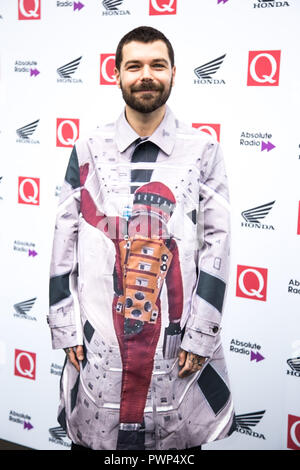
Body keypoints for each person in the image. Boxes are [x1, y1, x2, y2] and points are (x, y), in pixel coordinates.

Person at [48, 26, 236, 451]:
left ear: (173, 73)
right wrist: (66, 326)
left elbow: (217, 245)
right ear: (116, 74)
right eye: (134, 65)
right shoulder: (88, 149)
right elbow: (66, 238)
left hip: (173, 346)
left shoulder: (203, 149)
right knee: (99, 437)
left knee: (173, 442)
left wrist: (197, 333)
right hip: (105, 335)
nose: (146, 75)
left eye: (157, 65)